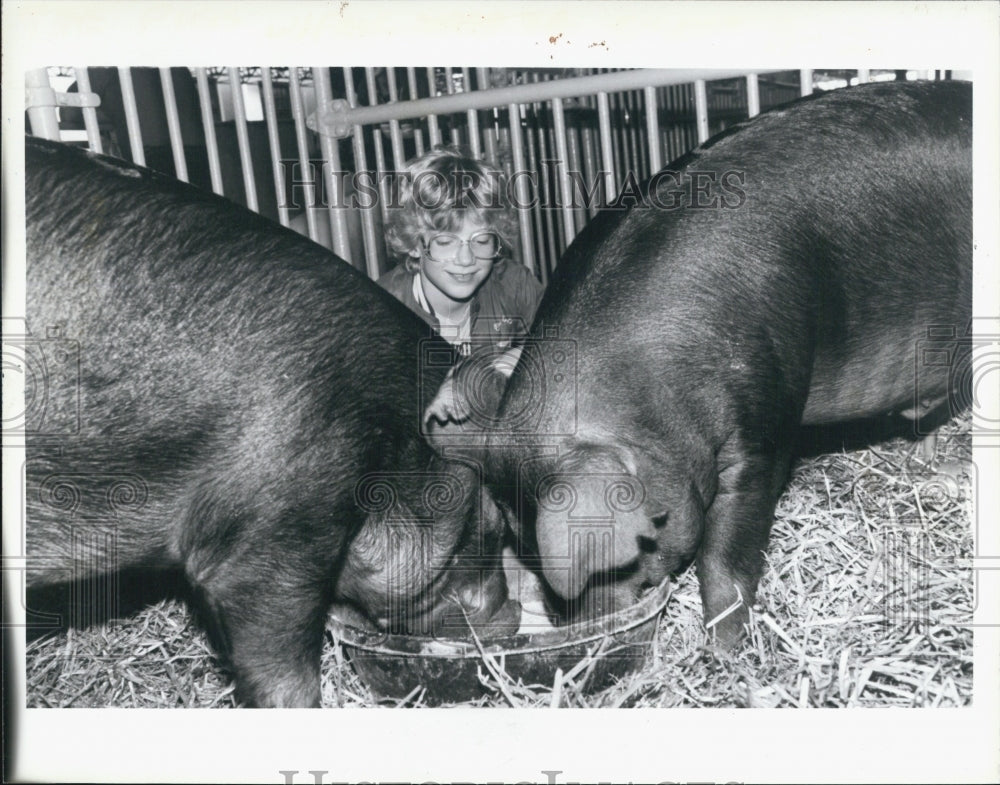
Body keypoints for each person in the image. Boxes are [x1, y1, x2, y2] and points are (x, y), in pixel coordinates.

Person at [379, 147, 544, 358]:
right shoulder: (384, 308)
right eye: (446, 242)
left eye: (482, 240)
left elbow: (566, 340)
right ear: (413, 244)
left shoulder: (515, 285)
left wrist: (516, 360)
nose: (466, 259)